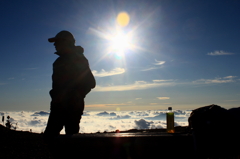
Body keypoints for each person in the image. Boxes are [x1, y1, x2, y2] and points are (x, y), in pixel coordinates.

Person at [44, 30, 95, 138]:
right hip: (59, 106)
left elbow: (90, 82)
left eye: (57, 42)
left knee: (70, 139)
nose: (54, 45)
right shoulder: (59, 61)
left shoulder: (78, 59)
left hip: (72, 107)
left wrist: (75, 96)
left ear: (65, 42)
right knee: (51, 138)